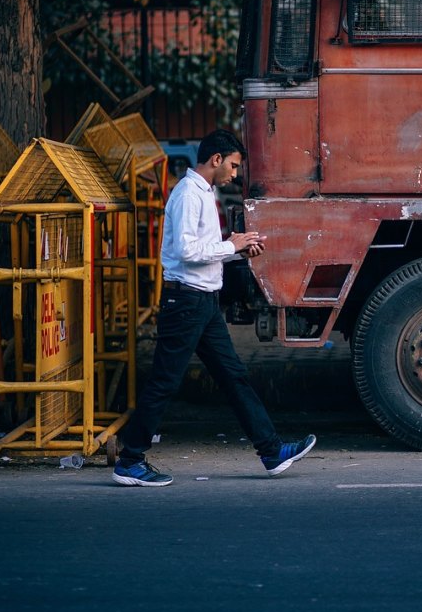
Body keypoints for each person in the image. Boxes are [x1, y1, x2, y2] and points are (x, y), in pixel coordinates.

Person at [112, 129, 316, 487]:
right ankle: (129, 460)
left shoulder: (204, 193)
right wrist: (230, 246)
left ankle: (270, 452)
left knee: (234, 376)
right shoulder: (189, 194)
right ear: (216, 160)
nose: (235, 174)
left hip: (203, 303)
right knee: (164, 381)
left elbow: (205, 248)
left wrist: (237, 248)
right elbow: (187, 251)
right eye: (234, 166)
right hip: (186, 301)